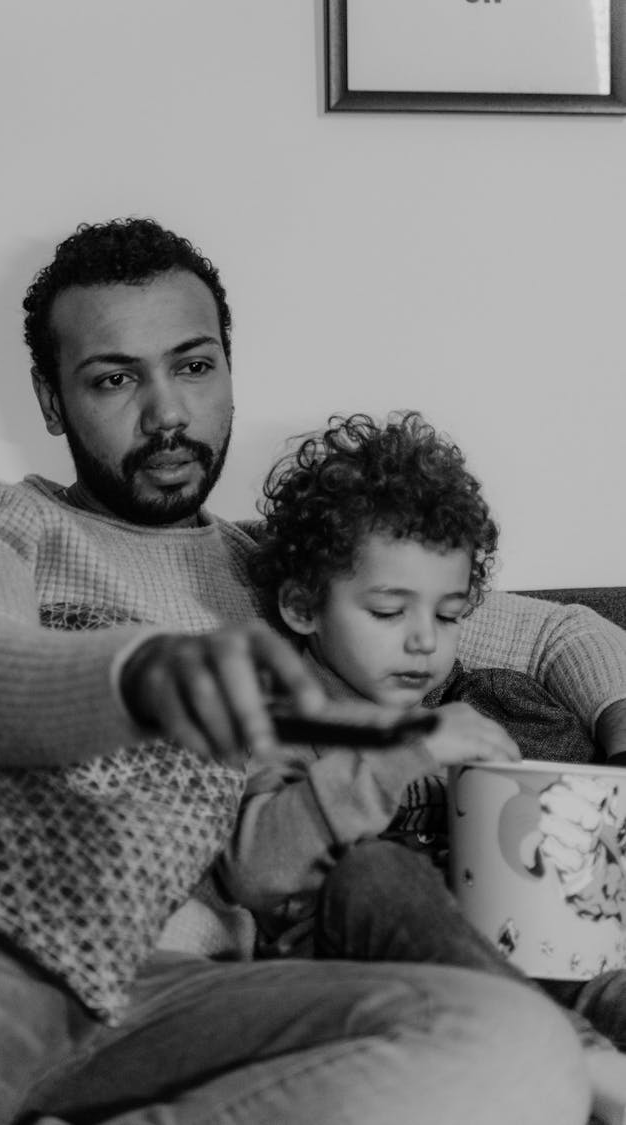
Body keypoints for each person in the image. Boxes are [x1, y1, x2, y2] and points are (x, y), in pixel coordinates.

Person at [0, 217, 609, 1125]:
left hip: (182, 997)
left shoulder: (294, 569)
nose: (168, 413)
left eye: (194, 365)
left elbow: (557, 634)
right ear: (51, 399)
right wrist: (145, 673)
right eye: (114, 378)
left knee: (519, 1051)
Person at [216, 409, 626, 1119]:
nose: (423, 642)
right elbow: (253, 869)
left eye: (448, 613)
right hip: (353, 975)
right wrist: (407, 752)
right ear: (303, 606)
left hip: (516, 965)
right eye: (388, 611)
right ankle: (579, 1057)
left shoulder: (470, 708)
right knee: (374, 871)